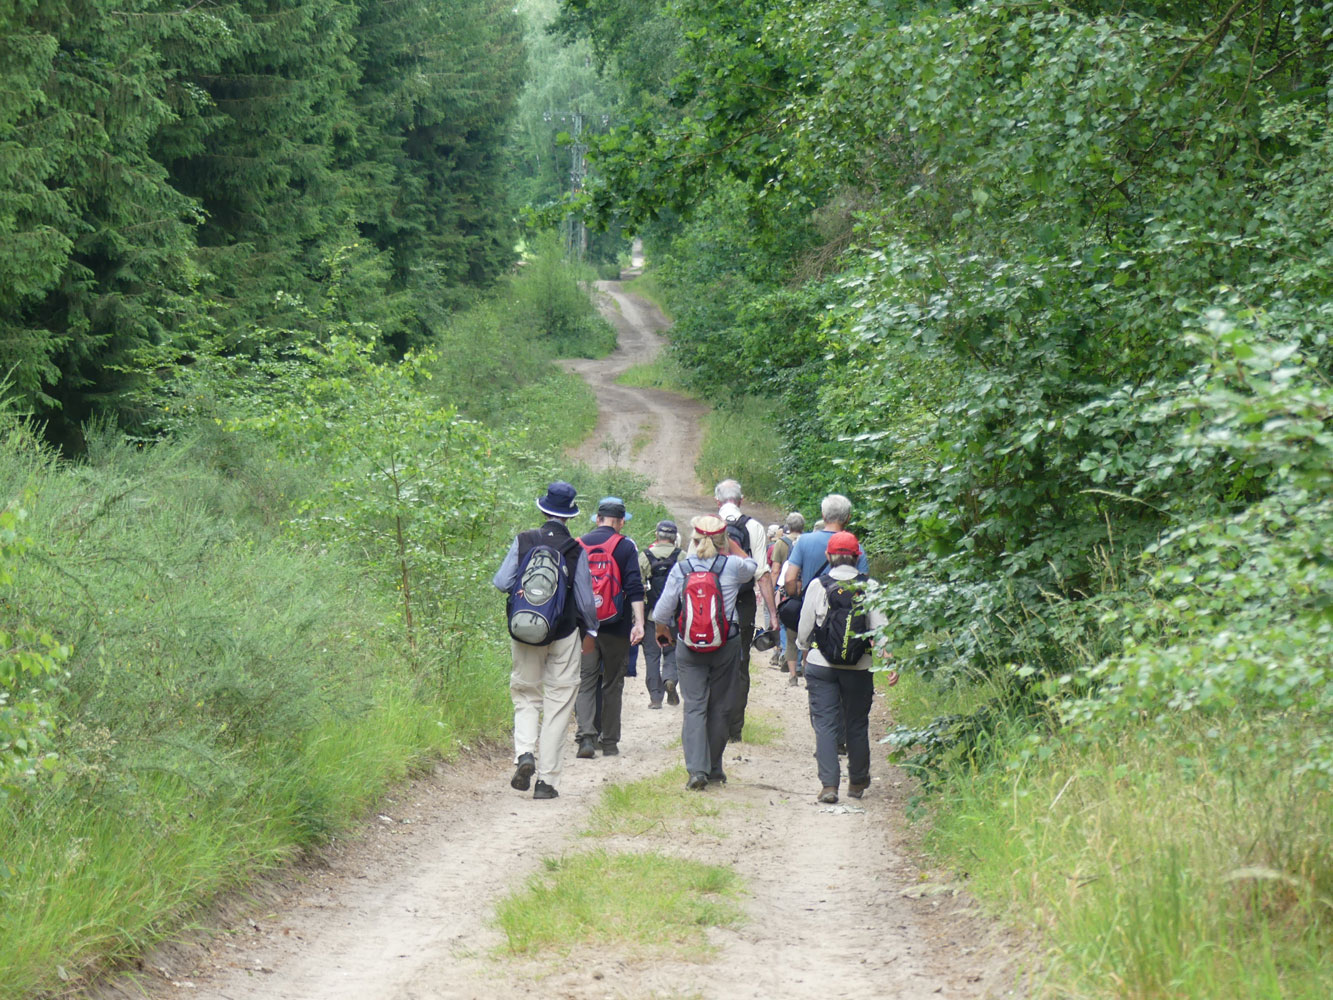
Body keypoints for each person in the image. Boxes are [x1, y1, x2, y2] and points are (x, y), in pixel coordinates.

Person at [492, 482, 599, 800]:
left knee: (526, 694)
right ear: (569, 515)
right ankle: (547, 782)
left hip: (526, 630)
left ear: (543, 510)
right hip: (565, 633)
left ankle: (525, 754)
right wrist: (590, 632)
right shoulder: (575, 550)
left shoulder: (524, 540)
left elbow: (501, 582)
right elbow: (585, 600)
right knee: (558, 703)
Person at [653, 515, 756, 790]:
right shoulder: (733, 566)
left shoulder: (682, 568)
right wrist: (732, 546)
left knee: (695, 706)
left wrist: (662, 630)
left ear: (694, 539)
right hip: (726, 643)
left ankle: (696, 771)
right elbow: (755, 566)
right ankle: (714, 768)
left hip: (689, 646)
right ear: (724, 540)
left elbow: (662, 611)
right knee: (720, 707)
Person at [797, 530, 895, 804]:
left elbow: (805, 628)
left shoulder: (819, 585)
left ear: (829, 556)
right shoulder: (871, 586)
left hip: (821, 665)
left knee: (825, 725)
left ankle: (829, 786)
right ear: (856, 557)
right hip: (859, 666)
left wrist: (804, 649)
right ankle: (857, 782)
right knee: (856, 723)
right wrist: (889, 661)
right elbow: (881, 630)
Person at [574, 497, 645, 758]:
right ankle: (610, 741)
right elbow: (634, 587)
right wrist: (639, 623)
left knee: (586, 680)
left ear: (597, 519)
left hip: (586, 628)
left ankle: (586, 738)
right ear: (621, 522)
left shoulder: (578, 544)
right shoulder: (625, 546)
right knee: (612, 683)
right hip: (616, 626)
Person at [711, 479, 779, 742]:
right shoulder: (753, 527)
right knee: (740, 661)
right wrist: (772, 613)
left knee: (713, 658)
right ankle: (734, 728)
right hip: (743, 601)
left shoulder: (706, 525)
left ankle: (714, 719)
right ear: (740, 500)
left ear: (718, 501)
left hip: (713, 601)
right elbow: (761, 573)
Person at [638, 519, 687, 709]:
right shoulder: (682, 556)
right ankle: (670, 679)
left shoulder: (644, 556)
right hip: (675, 616)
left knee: (651, 655)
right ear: (675, 538)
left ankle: (655, 698)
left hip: (651, 615)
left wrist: (638, 617)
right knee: (672, 651)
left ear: (656, 535)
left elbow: (637, 587)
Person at [770, 511, 804, 675]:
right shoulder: (805, 542)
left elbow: (775, 569)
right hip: (802, 588)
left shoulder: (780, 544)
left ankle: (785, 653)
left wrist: (771, 589)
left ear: (788, 526)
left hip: (784, 587)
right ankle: (798, 660)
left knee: (784, 622)